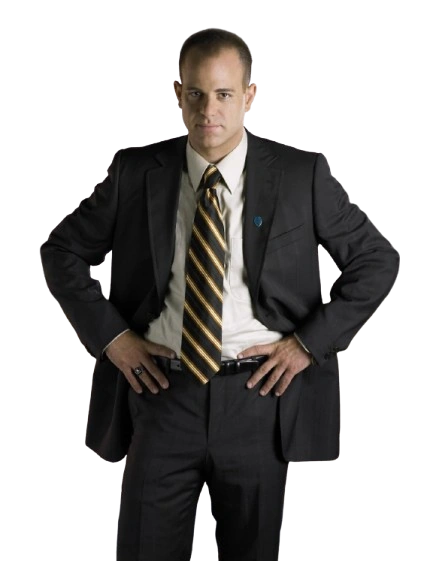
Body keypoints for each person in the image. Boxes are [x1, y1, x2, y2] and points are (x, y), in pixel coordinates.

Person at [40, 28, 400, 561]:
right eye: (196, 94)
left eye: (225, 94)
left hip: (260, 399)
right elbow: (61, 253)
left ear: (250, 94)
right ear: (177, 93)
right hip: (160, 395)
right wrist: (113, 339)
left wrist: (306, 344)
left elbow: (376, 261)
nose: (209, 110)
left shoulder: (300, 174)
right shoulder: (135, 173)